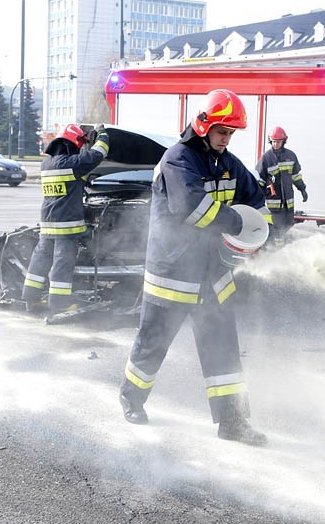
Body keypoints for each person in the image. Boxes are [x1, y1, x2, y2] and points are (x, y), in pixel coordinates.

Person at [119, 89, 272, 447]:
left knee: (223, 349)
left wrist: (263, 234)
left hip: (212, 274)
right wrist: (236, 223)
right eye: (223, 131)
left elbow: (255, 199)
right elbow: (190, 207)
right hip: (172, 272)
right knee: (153, 342)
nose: (226, 138)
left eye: (231, 133)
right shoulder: (178, 160)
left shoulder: (228, 163)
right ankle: (131, 396)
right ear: (204, 125)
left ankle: (232, 422)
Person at [22, 124, 109, 315]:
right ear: (73, 144)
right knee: (63, 263)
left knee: (40, 259)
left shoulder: (46, 164)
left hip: (48, 221)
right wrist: (103, 134)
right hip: (66, 226)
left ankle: (31, 298)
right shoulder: (72, 163)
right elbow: (98, 154)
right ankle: (59, 304)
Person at [255, 126, 307, 244]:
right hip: (274, 202)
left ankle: (280, 245)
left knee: (288, 225)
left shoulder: (291, 156)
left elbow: (295, 176)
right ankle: (274, 249)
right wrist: (258, 198)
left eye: (278, 142)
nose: (275, 144)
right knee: (276, 229)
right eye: (273, 141)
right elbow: (260, 181)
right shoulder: (266, 158)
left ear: (284, 141)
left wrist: (302, 189)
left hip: (288, 202)